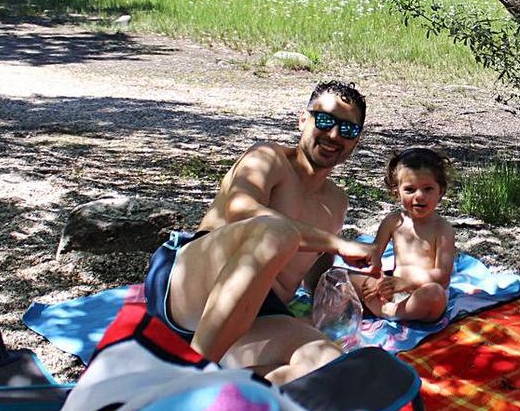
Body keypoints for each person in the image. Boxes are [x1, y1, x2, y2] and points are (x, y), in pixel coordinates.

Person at [142, 81, 376, 384]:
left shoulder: (337, 202)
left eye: (348, 130)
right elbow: (242, 212)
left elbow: (317, 277)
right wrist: (338, 244)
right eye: (326, 120)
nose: (333, 135)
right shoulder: (268, 159)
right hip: (192, 286)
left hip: (256, 316)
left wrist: (364, 286)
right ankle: (192, 378)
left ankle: (209, 398)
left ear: (355, 142)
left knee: (327, 365)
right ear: (303, 120)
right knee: (275, 233)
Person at [348, 147, 456, 322]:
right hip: (392, 290)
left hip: (421, 293)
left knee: (435, 295)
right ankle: (383, 304)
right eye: (410, 189)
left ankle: (389, 312)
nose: (420, 196)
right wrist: (377, 279)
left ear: (441, 191)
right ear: (396, 192)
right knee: (343, 275)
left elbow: (442, 275)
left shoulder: (442, 229)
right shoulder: (393, 221)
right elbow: (374, 255)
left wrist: (406, 283)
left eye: (428, 189)